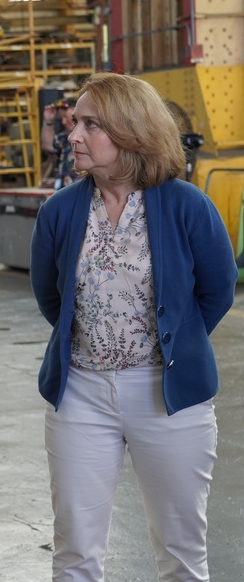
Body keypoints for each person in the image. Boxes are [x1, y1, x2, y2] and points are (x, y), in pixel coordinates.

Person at [29, 72, 238, 581]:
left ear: (131, 131)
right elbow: (52, 297)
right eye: (75, 123)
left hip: (168, 396)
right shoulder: (59, 211)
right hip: (81, 392)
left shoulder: (186, 205)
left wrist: (176, 344)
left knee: (181, 551)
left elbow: (218, 288)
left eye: (89, 124)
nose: (73, 135)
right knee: (75, 552)